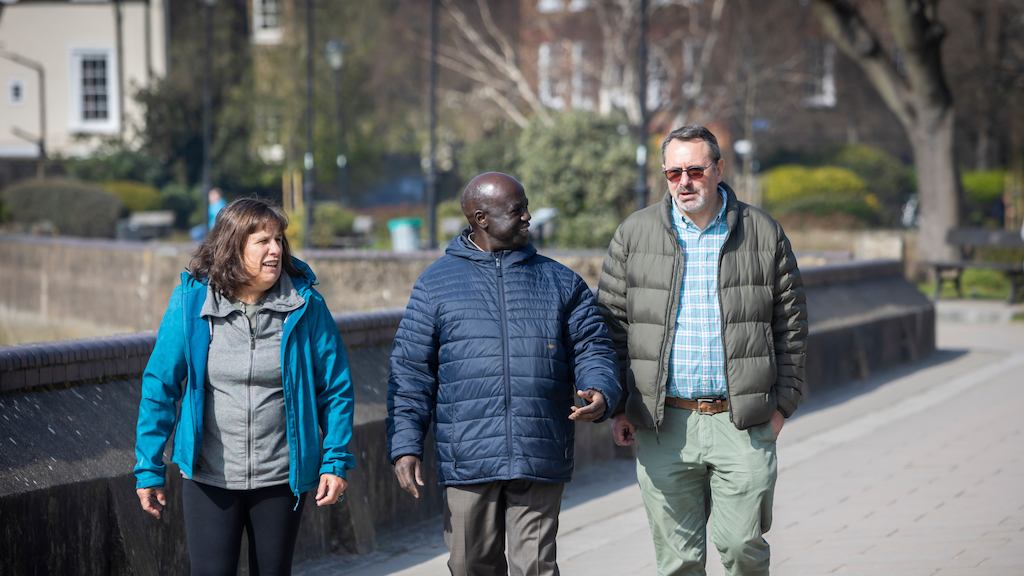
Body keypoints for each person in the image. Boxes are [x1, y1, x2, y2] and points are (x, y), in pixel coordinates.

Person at [597, 125, 808, 576]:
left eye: (695, 170)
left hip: (743, 421)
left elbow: (791, 327)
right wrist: (618, 407)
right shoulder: (634, 234)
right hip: (663, 422)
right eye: (673, 173)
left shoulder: (763, 233)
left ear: (718, 169)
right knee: (678, 563)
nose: (684, 182)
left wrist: (782, 407)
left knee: (741, 547)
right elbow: (611, 328)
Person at [387, 172, 621, 576]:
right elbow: (410, 372)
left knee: (536, 567)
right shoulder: (435, 285)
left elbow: (593, 346)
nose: (528, 216)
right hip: (468, 456)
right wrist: (405, 445)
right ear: (480, 217)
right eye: (517, 210)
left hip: (540, 447)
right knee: (470, 565)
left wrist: (600, 389)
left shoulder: (561, 282)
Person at [134, 198, 355, 576]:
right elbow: (160, 386)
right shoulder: (192, 303)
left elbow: (335, 389)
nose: (275, 250)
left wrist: (335, 461)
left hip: (280, 479)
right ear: (233, 246)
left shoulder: (305, 305)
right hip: (209, 478)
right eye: (262, 241)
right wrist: (148, 467)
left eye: (279, 240)